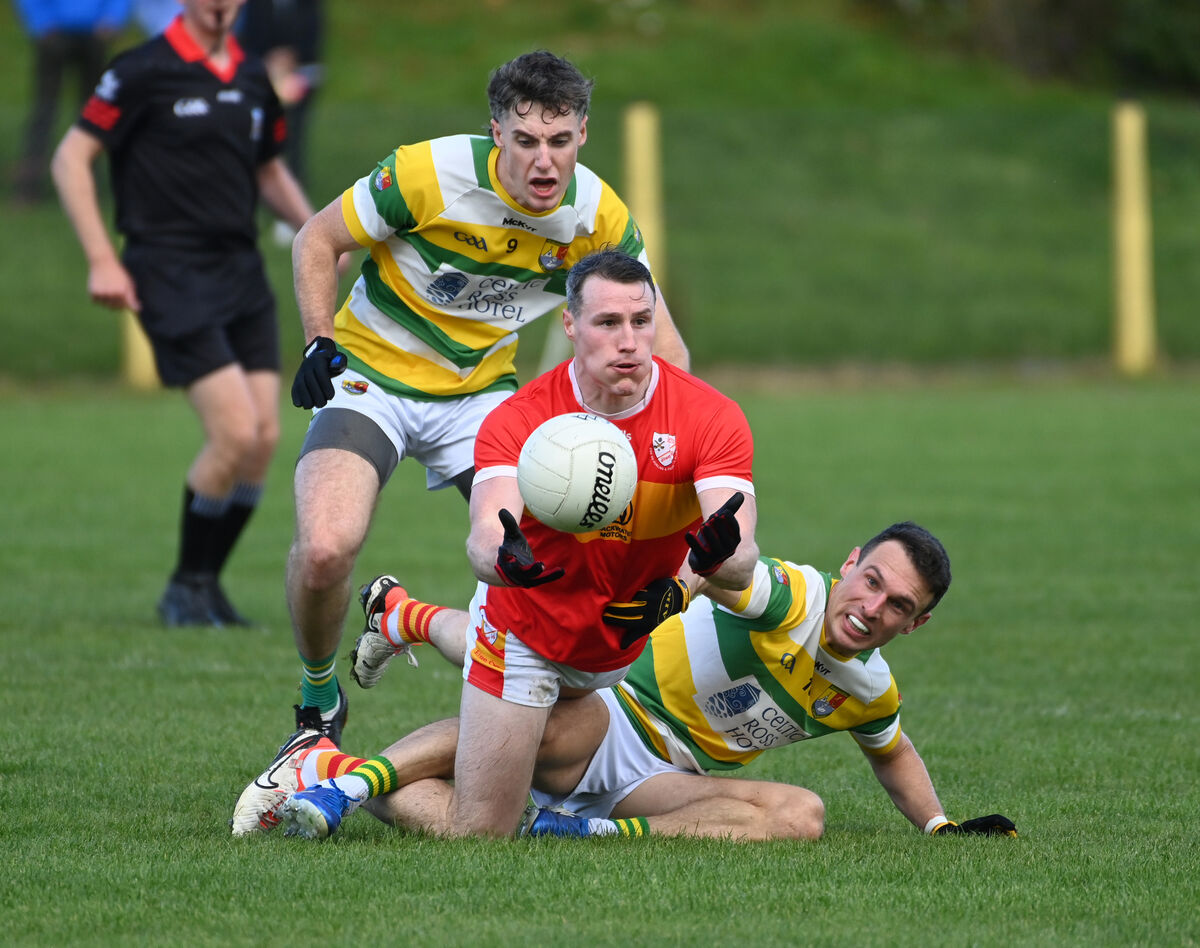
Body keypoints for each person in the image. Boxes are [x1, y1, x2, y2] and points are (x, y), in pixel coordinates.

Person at [236, 248, 757, 838]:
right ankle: (331, 768)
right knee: (481, 831)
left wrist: (695, 574)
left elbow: (740, 561)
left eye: (642, 321)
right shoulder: (520, 418)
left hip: (612, 652)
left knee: (537, 736)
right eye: (607, 323)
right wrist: (506, 562)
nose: (630, 341)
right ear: (569, 324)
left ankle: (404, 616)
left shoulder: (709, 416)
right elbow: (485, 540)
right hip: (526, 631)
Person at [269, 51, 690, 754]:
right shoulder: (426, 174)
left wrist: (656, 454)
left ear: (583, 134)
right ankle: (318, 702)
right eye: (526, 140)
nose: (544, 162)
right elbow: (319, 238)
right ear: (496, 133)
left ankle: (420, 632)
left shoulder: (596, 216)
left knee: (546, 572)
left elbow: (666, 351)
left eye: (559, 141)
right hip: (372, 375)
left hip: (484, 401)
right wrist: (318, 342)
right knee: (324, 548)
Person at [233, 521, 1017, 841]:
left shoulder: (869, 686)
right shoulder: (796, 596)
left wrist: (939, 827)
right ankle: (338, 777)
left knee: (802, 816)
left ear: (914, 626)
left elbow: (892, 752)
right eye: (871, 580)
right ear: (850, 564)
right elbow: (725, 572)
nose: (871, 606)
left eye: (897, 606)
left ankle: (573, 829)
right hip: (608, 706)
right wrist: (683, 581)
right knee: (535, 698)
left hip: (660, 777)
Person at [51, 0, 318, 626]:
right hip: (168, 271)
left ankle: (201, 584)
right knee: (233, 432)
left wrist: (316, 237)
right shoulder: (141, 69)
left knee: (264, 439)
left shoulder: (252, 76)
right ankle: (185, 585)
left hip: (241, 271)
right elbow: (70, 159)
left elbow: (270, 169)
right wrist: (102, 259)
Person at [11, 0, 131, 205]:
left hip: (95, 33)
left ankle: (89, 183)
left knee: (95, 111)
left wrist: (112, 19)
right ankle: (29, 184)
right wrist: (42, 23)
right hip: (54, 33)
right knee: (45, 110)